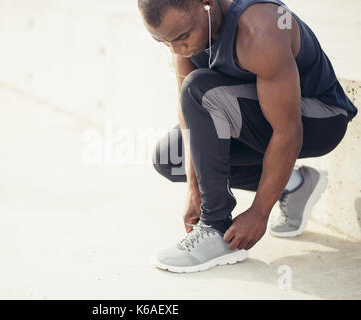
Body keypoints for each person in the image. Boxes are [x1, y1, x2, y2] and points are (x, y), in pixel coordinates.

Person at [137, 0, 358, 273]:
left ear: (206, 5)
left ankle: (215, 230)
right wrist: (195, 190)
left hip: (319, 119)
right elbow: (190, 123)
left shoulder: (261, 27)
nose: (176, 49)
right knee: (171, 158)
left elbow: (288, 130)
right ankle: (293, 183)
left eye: (181, 37)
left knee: (200, 91)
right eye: (163, 41)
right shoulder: (184, 33)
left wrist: (259, 212)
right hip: (254, 113)